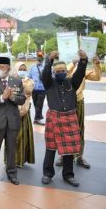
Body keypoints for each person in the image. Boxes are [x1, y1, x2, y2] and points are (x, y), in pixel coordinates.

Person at [41, 50, 87, 187]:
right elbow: (45, 73)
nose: (60, 72)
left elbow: (80, 73)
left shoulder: (72, 83)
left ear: (66, 71)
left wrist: (83, 60)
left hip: (69, 118)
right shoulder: (49, 83)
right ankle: (47, 174)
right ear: (54, 72)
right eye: (58, 70)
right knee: (50, 148)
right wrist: (49, 60)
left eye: (63, 70)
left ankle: (68, 175)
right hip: (54, 118)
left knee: (70, 149)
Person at [55, 55, 102, 168]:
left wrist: (96, 64)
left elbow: (97, 77)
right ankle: (63, 155)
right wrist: (72, 63)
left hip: (79, 101)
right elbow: (65, 74)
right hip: (65, 102)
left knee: (80, 128)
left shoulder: (82, 70)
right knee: (64, 130)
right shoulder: (63, 69)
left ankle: (79, 156)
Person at [0, 56, 25, 185]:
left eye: (1, 67)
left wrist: (12, 97)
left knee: (11, 149)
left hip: (12, 122)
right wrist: (2, 97)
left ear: (8, 68)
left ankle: (12, 173)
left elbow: (22, 99)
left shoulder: (17, 82)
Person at [10, 62, 35, 167]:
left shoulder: (29, 81)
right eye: (20, 69)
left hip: (24, 111)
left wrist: (21, 83)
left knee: (23, 136)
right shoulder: (10, 80)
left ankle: (21, 159)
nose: (23, 71)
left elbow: (29, 90)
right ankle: (11, 160)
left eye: (24, 69)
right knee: (12, 137)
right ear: (16, 70)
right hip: (12, 112)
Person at [28, 51, 46, 125]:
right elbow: (29, 76)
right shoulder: (32, 67)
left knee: (39, 104)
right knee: (36, 104)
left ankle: (38, 118)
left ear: (43, 57)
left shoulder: (46, 66)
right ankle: (38, 118)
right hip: (34, 89)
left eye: (41, 57)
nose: (39, 58)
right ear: (36, 57)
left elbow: (50, 75)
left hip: (42, 89)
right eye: (38, 56)